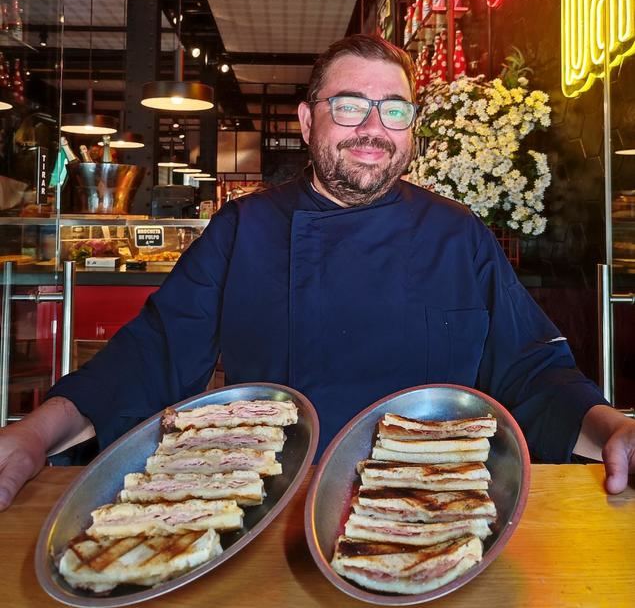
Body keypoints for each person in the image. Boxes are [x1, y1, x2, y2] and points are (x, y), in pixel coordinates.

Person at [0, 34, 634, 510]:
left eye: (394, 110)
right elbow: (151, 356)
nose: (373, 130)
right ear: (307, 122)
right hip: (277, 508)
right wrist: (33, 434)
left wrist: (614, 429)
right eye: (350, 105)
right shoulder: (246, 230)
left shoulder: (457, 233)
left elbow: (532, 372)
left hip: (432, 506)